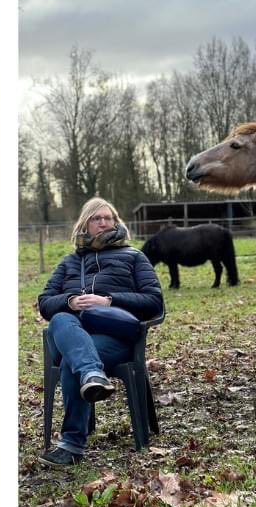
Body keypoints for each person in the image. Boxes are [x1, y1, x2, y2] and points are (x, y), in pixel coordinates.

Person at [37, 198, 163, 467]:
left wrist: (110, 301)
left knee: (75, 361)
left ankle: (71, 446)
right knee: (60, 318)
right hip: (71, 333)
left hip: (114, 338)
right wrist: (70, 301)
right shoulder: (69, 263)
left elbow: (154, 302)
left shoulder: (134, 257)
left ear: (116, 222)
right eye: (96, 218)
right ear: (85, 224)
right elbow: (45, 302)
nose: (103, 222)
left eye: (108, 217)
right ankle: (92, 373)